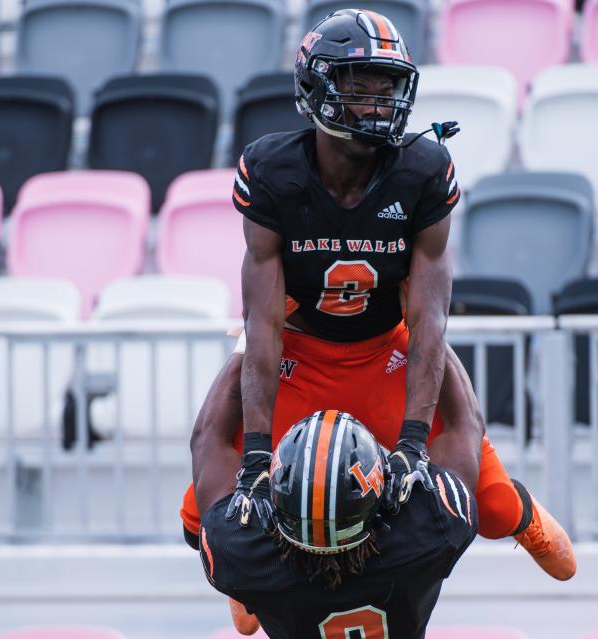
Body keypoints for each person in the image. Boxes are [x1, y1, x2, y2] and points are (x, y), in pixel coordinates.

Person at [181, 7, 576, 630]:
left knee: (491, 503)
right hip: (302, 349)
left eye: (389, 84)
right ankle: (247, 570)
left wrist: (414, 444)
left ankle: (516, 513)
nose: (380, 99)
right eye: (362, 84)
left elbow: (429, 321)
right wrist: (259, 452)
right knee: (202, 511)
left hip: (387, 347)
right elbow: (261, 325)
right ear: (318, 86)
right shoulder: (276, 172)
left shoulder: (420, 169)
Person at [192, 349, 485, 639]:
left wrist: (251, 343)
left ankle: (244, 593)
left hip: (261, 576)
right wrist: (420, 327)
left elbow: (208, 437)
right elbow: (467, 422)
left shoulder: (239, 551)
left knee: (206, 526)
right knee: (500, 506)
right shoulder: (433, 529)